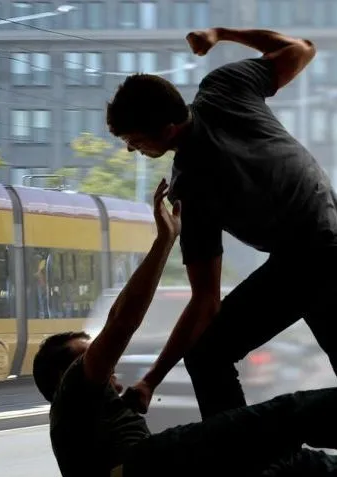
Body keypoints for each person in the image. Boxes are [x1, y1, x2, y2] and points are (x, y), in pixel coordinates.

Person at [32, 179, 337, 477]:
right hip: (141, 476)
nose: (108, 366)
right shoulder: (72, 395)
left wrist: (145, 386)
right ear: (64, 376)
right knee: (284, 416)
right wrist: (166, 240)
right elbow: (121, 322)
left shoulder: (90, 425)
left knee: (301, 468)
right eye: (86, 356)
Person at [104, 26, 337, 421]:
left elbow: (205, 301)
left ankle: (240, 467)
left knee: (207, 355)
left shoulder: (191, 185)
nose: (131, 149)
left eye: (136, 141)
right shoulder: (225, 86)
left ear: (166, 130)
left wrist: (151, 380)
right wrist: (221, 33)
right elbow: (300, 49)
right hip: (320, 244)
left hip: (305, 260)